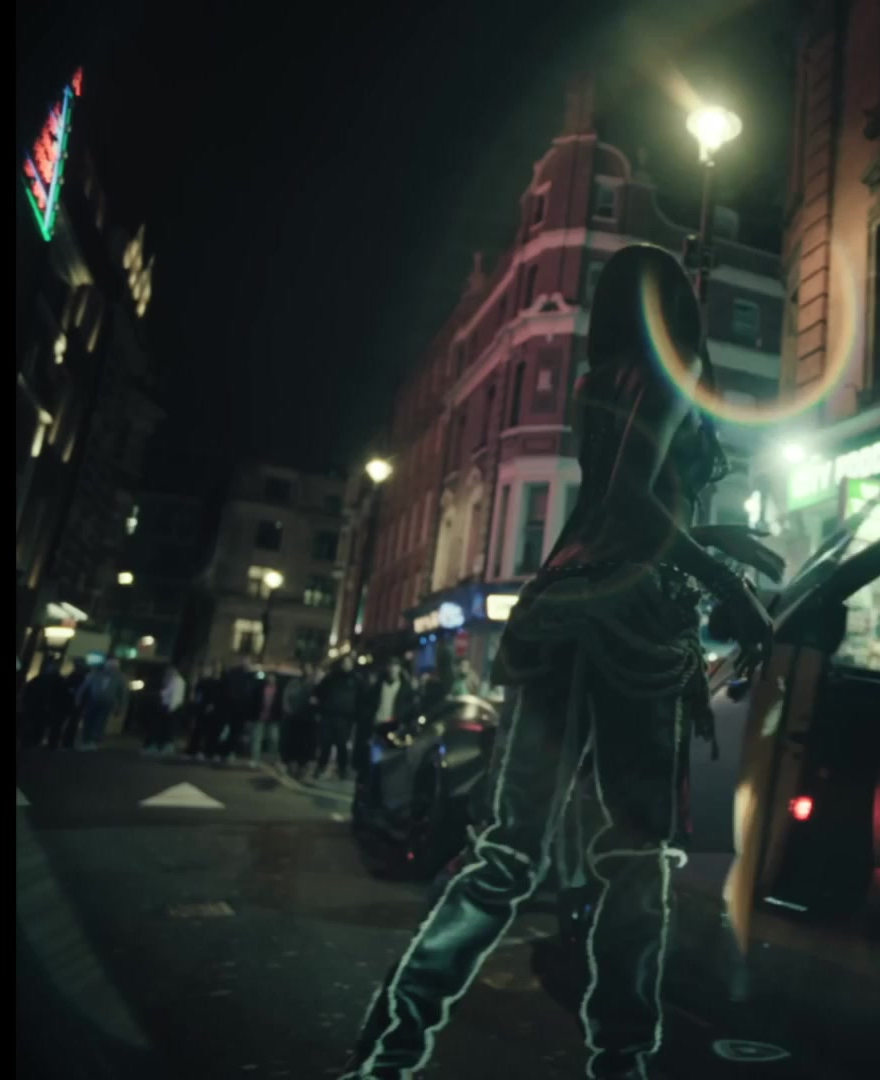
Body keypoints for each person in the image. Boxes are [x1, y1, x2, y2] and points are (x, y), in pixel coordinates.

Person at [343, 244, 783, 1080]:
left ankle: (391, 1047)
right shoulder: (676, 367)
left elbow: (619, 501)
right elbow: (634, 504)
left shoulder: (596, 378)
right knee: (635, 858)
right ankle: (621, 1060)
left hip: (559, 611)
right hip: (633, 623)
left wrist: (710, 537)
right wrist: (729, 582)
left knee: (510, 850)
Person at [314, 657, 361, 782]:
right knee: (326, 744)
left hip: (345, 719)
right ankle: (321, 766)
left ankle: (342, 769)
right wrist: (322, 708)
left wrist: (355, 716)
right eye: (344, 663)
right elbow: (319, 691)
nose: (346, 665)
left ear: (352, 664)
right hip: (329, 716)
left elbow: (361, 699)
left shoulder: (356, 680)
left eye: (348, 663)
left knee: (342, 745)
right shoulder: (332, 677)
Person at [216, 657, 264, 766]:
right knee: (225, 731)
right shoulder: (234, 674)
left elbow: (254, 694)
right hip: (231, 708)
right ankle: (221, 752)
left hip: (242, 710)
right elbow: (227, 689)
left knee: (235, 733)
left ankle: (228, 752)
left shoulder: (251, 676)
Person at [73, 659, 129, 751]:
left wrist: (120, 707)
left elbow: (122, 694)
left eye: (114, 668)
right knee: (89, 720)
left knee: (100, 722)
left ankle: (93, 741)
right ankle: (87, 740)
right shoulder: (94, 675)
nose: (112, 670)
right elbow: (83, 688)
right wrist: (78, 699)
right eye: (111, 667)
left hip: (107, 702)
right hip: (93, 701)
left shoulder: (119, 678)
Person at [21, 659, 74, 749]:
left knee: (37, 726)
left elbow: (28, 693)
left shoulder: (39, 679)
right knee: (47, 727)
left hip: (39, 707)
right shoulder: (59, 681)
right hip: (49, 708)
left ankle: (31, 742)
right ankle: (44, 744)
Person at [280, 662, 319, 776]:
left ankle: (302, 765)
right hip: (295, 717)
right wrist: (288, 710)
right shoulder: (295, 683)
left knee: (306, 744)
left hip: (309, 719)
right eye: (305, 668)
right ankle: (293, 764)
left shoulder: (315, 684)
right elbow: (287, 697)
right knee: (294, 742)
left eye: (309, 668)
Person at [145, 663, 187, 755]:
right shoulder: (174, 680)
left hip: (171, 708)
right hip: (169, 707)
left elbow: (175, 697)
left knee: (167, 729)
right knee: (165, 728)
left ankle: (164, 746)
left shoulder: (177, 681)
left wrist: (170, 708)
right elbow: (168, 693)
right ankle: (163, 746)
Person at [188, 663, 226, 761]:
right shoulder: (205, 682)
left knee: (213, 732)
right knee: (200, 730)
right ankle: (196, 750)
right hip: (204, 709)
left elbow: (222, 697)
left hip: (216, 711)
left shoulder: (222, 683)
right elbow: (199, 696)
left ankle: (209, 751)